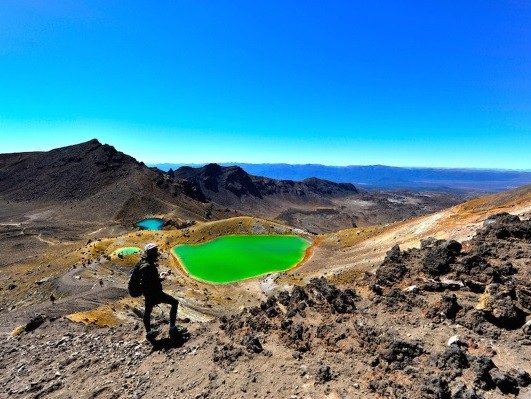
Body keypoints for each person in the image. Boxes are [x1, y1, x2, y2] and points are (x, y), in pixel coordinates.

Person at [138, 243, 179, 341]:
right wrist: (161, 278)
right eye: (154, 250)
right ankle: (172, 329)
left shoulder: (143, 263)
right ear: (148, 252)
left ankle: (149, 333)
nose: (156, 252)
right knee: (174, 302)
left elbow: (148, 280)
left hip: (148, 294)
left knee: (147, 312)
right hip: (156, 293)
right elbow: (152, 281)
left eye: (156, 249)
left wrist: (159, 276)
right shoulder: (149, 266)